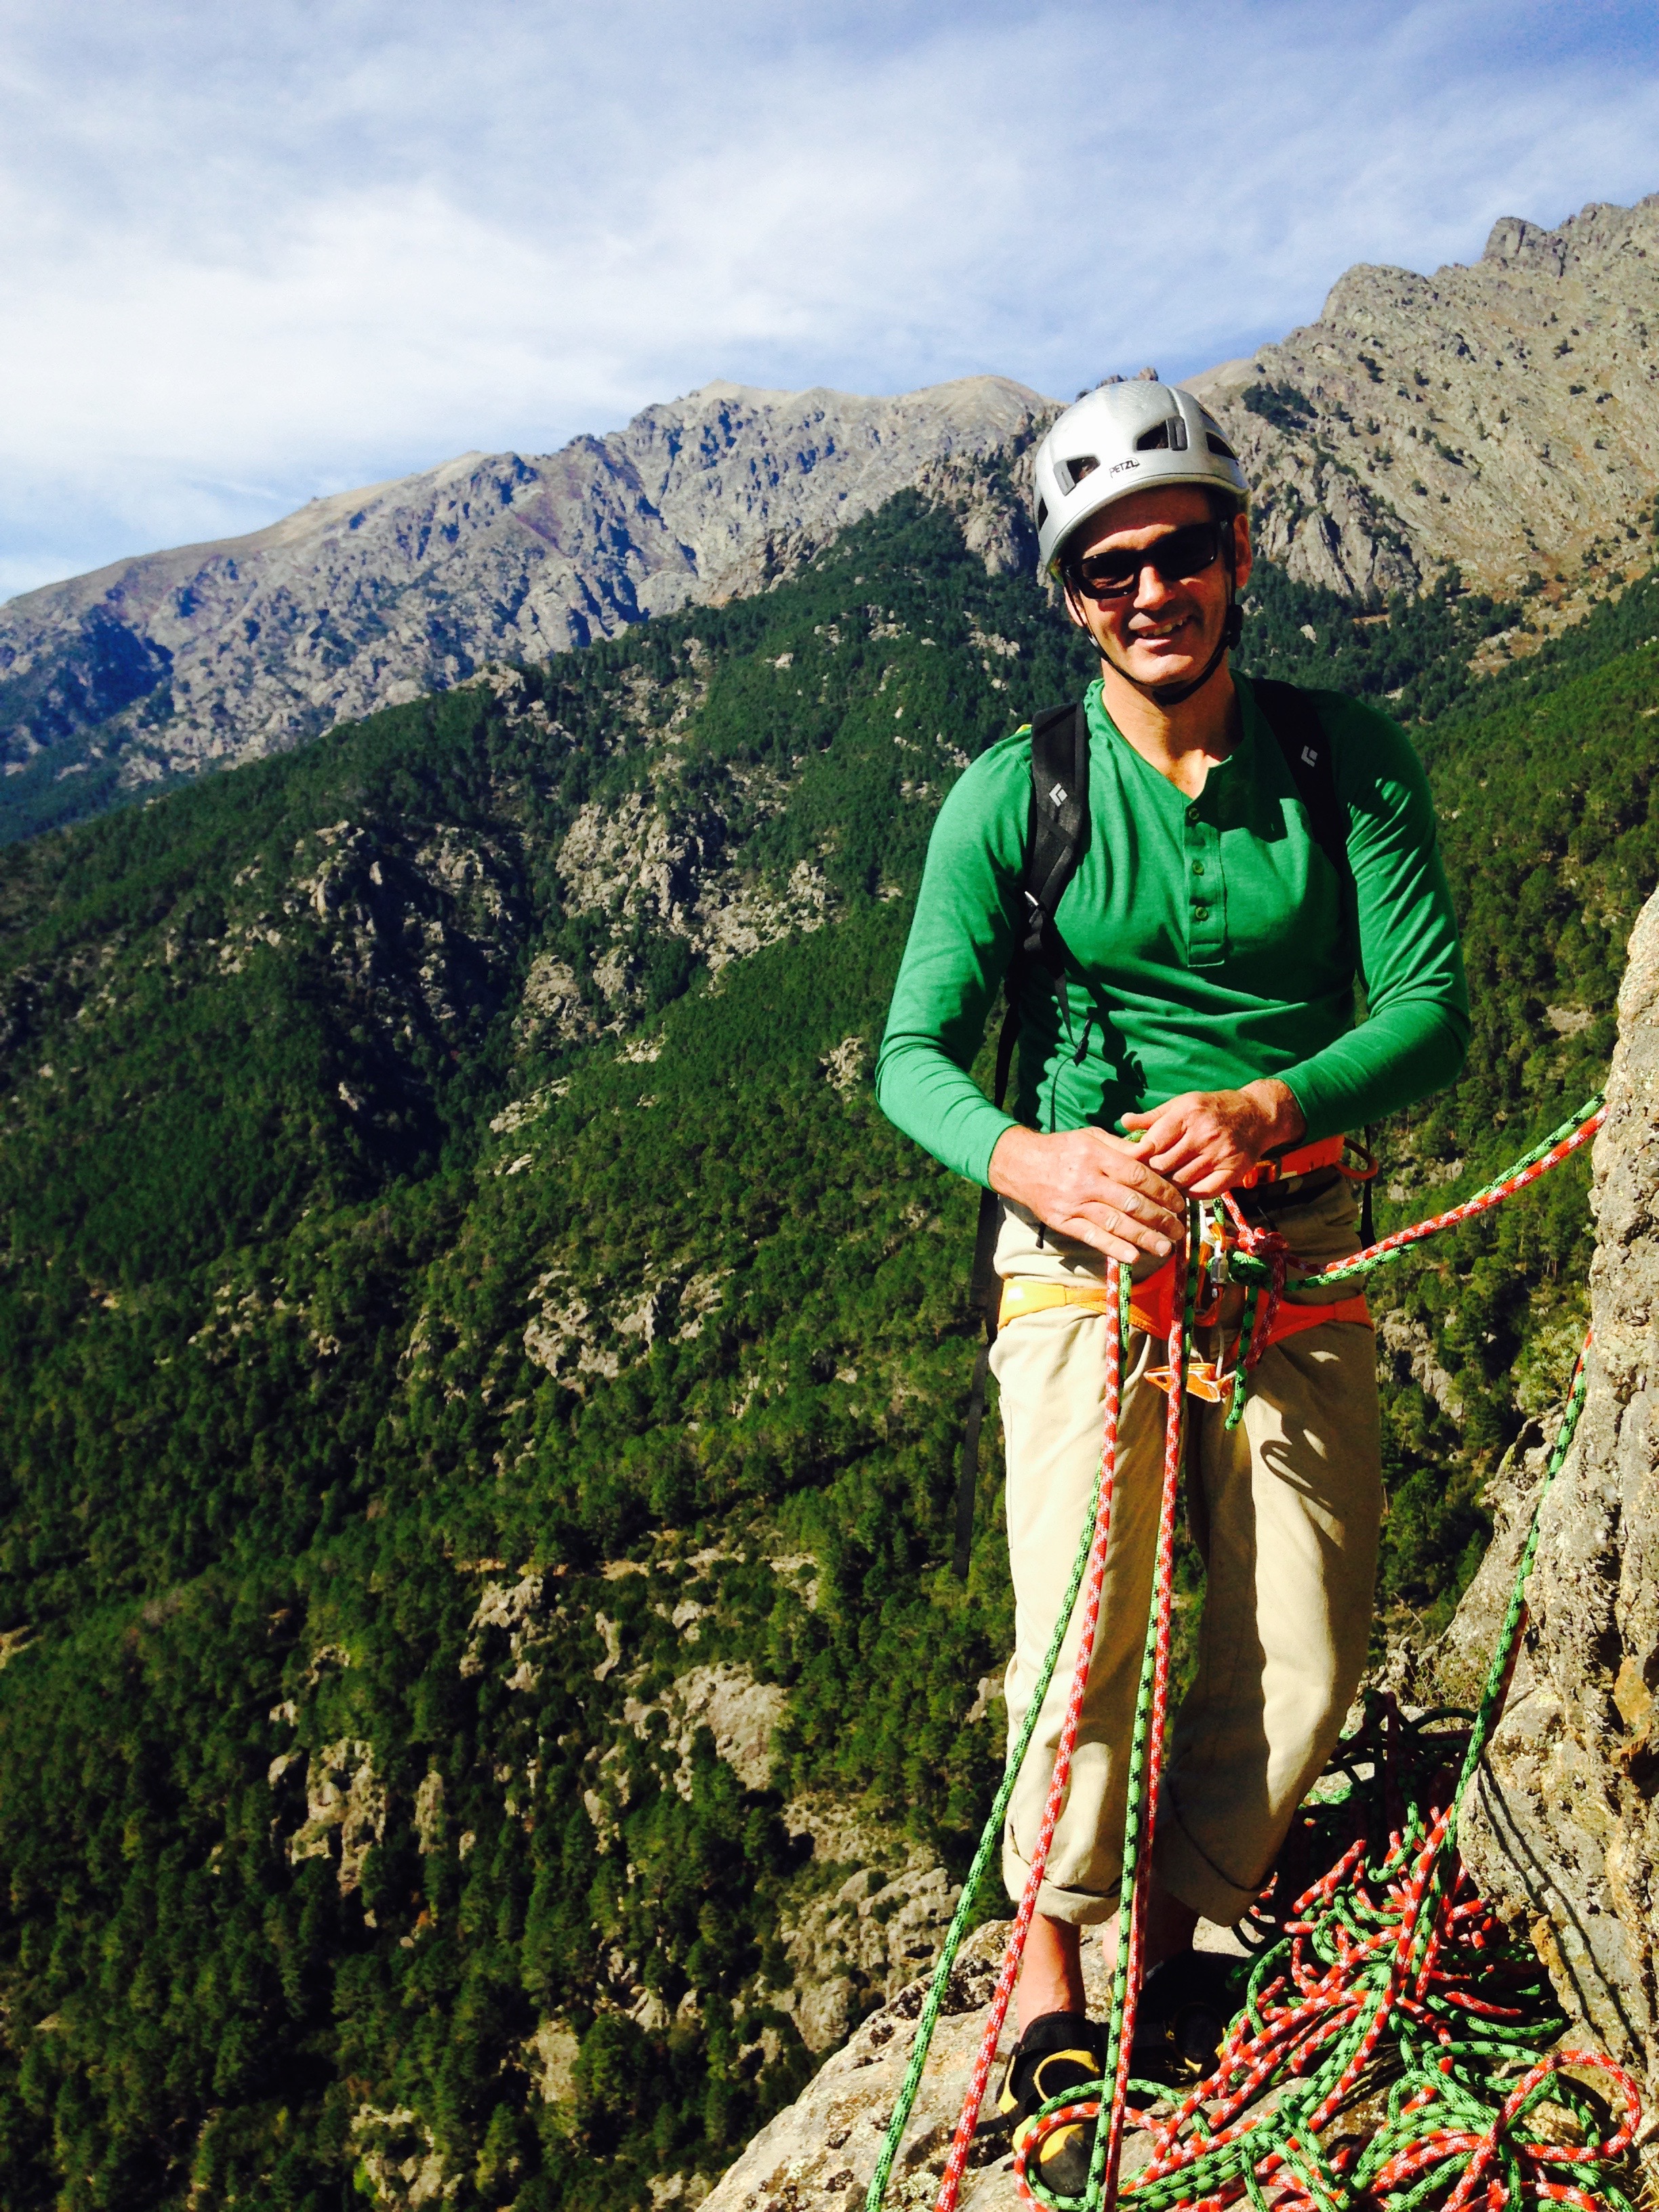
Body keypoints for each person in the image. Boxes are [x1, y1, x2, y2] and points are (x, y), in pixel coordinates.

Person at [874, 378, 1467, 2190]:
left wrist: (1274, 1101)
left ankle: (1187, 1935)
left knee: (1306, 1628)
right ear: (1070, 597)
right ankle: (1048, 1966)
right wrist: (1037, 1160)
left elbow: (1430, 1015)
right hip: (1083, 1251)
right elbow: (911, 1055)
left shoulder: (1347, 762)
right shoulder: (1016, 796)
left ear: (1241, 554)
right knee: (1082, 1620)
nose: (1153, 592)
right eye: (1112, 568)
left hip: (1289, 1237)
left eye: (1183, 552)